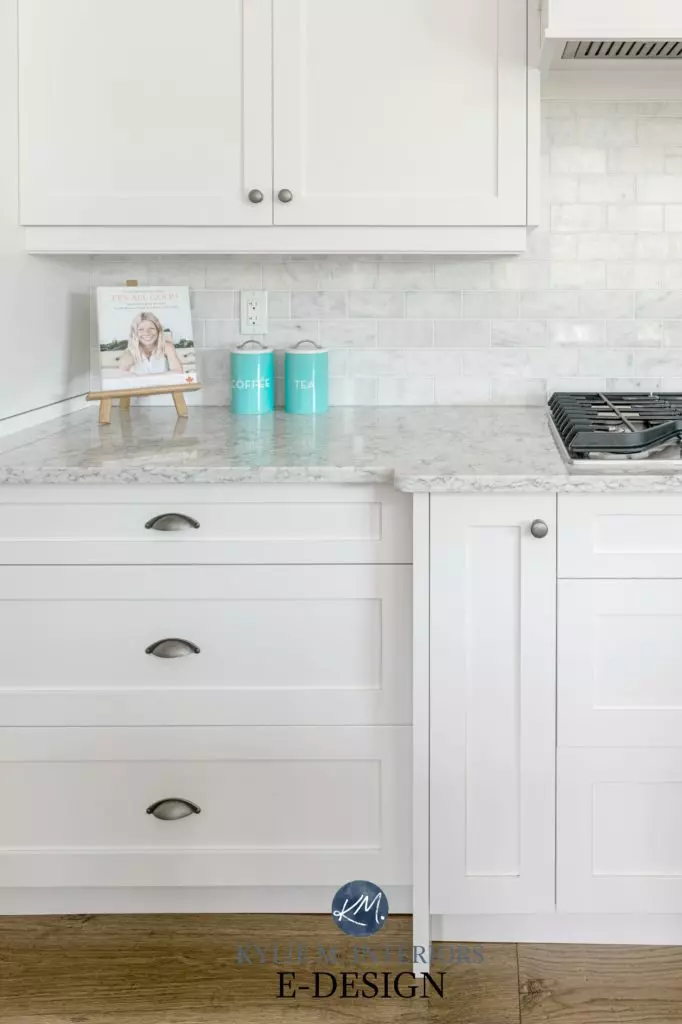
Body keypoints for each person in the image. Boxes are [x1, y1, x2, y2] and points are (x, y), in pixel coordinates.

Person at [118, 312, 183, 375]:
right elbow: (121, 377)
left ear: (158, 330)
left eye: (151, 328)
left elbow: (178, 372)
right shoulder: (129, 352)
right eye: (141, 329)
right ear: (135, 333)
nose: (147, 333)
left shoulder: (167, 347)